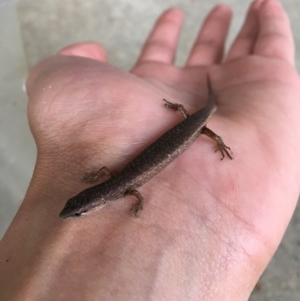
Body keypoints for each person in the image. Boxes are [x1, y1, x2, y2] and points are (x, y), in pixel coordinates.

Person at [1, 0, 299, 300]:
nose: (75, 213)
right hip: (180, 128)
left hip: (190, 129)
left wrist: (217, 142)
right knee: (189, 120)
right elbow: (115, 178)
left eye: (79, 211)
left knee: (199, 127)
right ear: (90, 200)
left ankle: (209, 120)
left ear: (92, 205)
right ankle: (195, 104)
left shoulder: (123, 188)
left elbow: (132, 190)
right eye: (78, 209)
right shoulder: (118, 185)